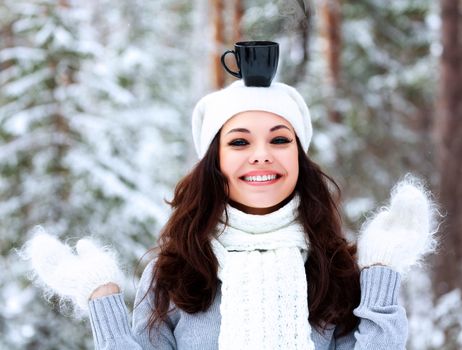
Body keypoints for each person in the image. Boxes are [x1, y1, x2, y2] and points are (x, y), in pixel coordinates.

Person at [24, 80, 437, 350]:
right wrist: (101, 300)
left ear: (299, 157)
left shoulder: (334, 266)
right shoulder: (175, 270)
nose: (262, 154)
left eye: (279, 139)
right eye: (239, 142)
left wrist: (382, 272)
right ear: (215, 162)